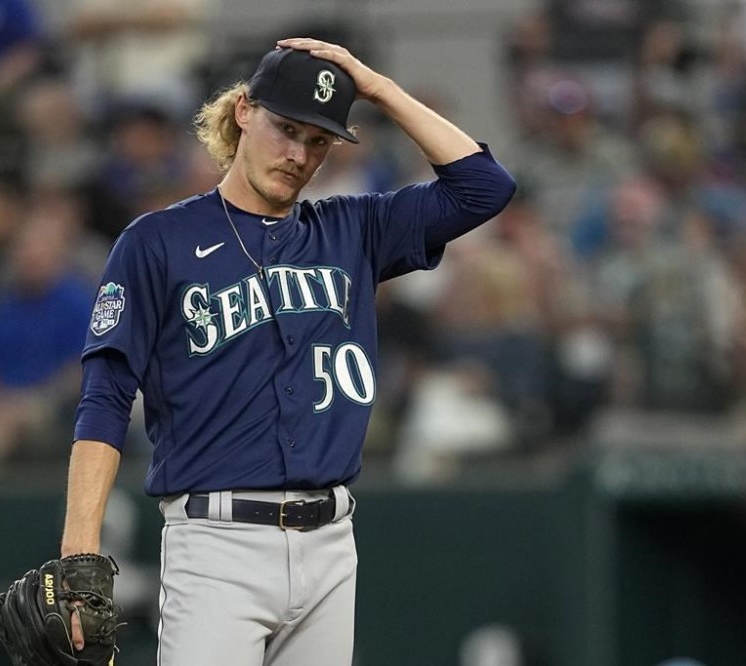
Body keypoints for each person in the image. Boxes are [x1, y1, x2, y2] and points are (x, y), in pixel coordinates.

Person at [60, 38, 515, 665]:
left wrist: (377, 88)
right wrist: (80, 551)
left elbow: (483, 187)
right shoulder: (158, 242)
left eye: (319, 141)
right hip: (216, 544)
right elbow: (105, 398)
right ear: (244, 111)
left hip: (331, 545)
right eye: (286, 128)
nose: (299, 154)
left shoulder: (352, 230)